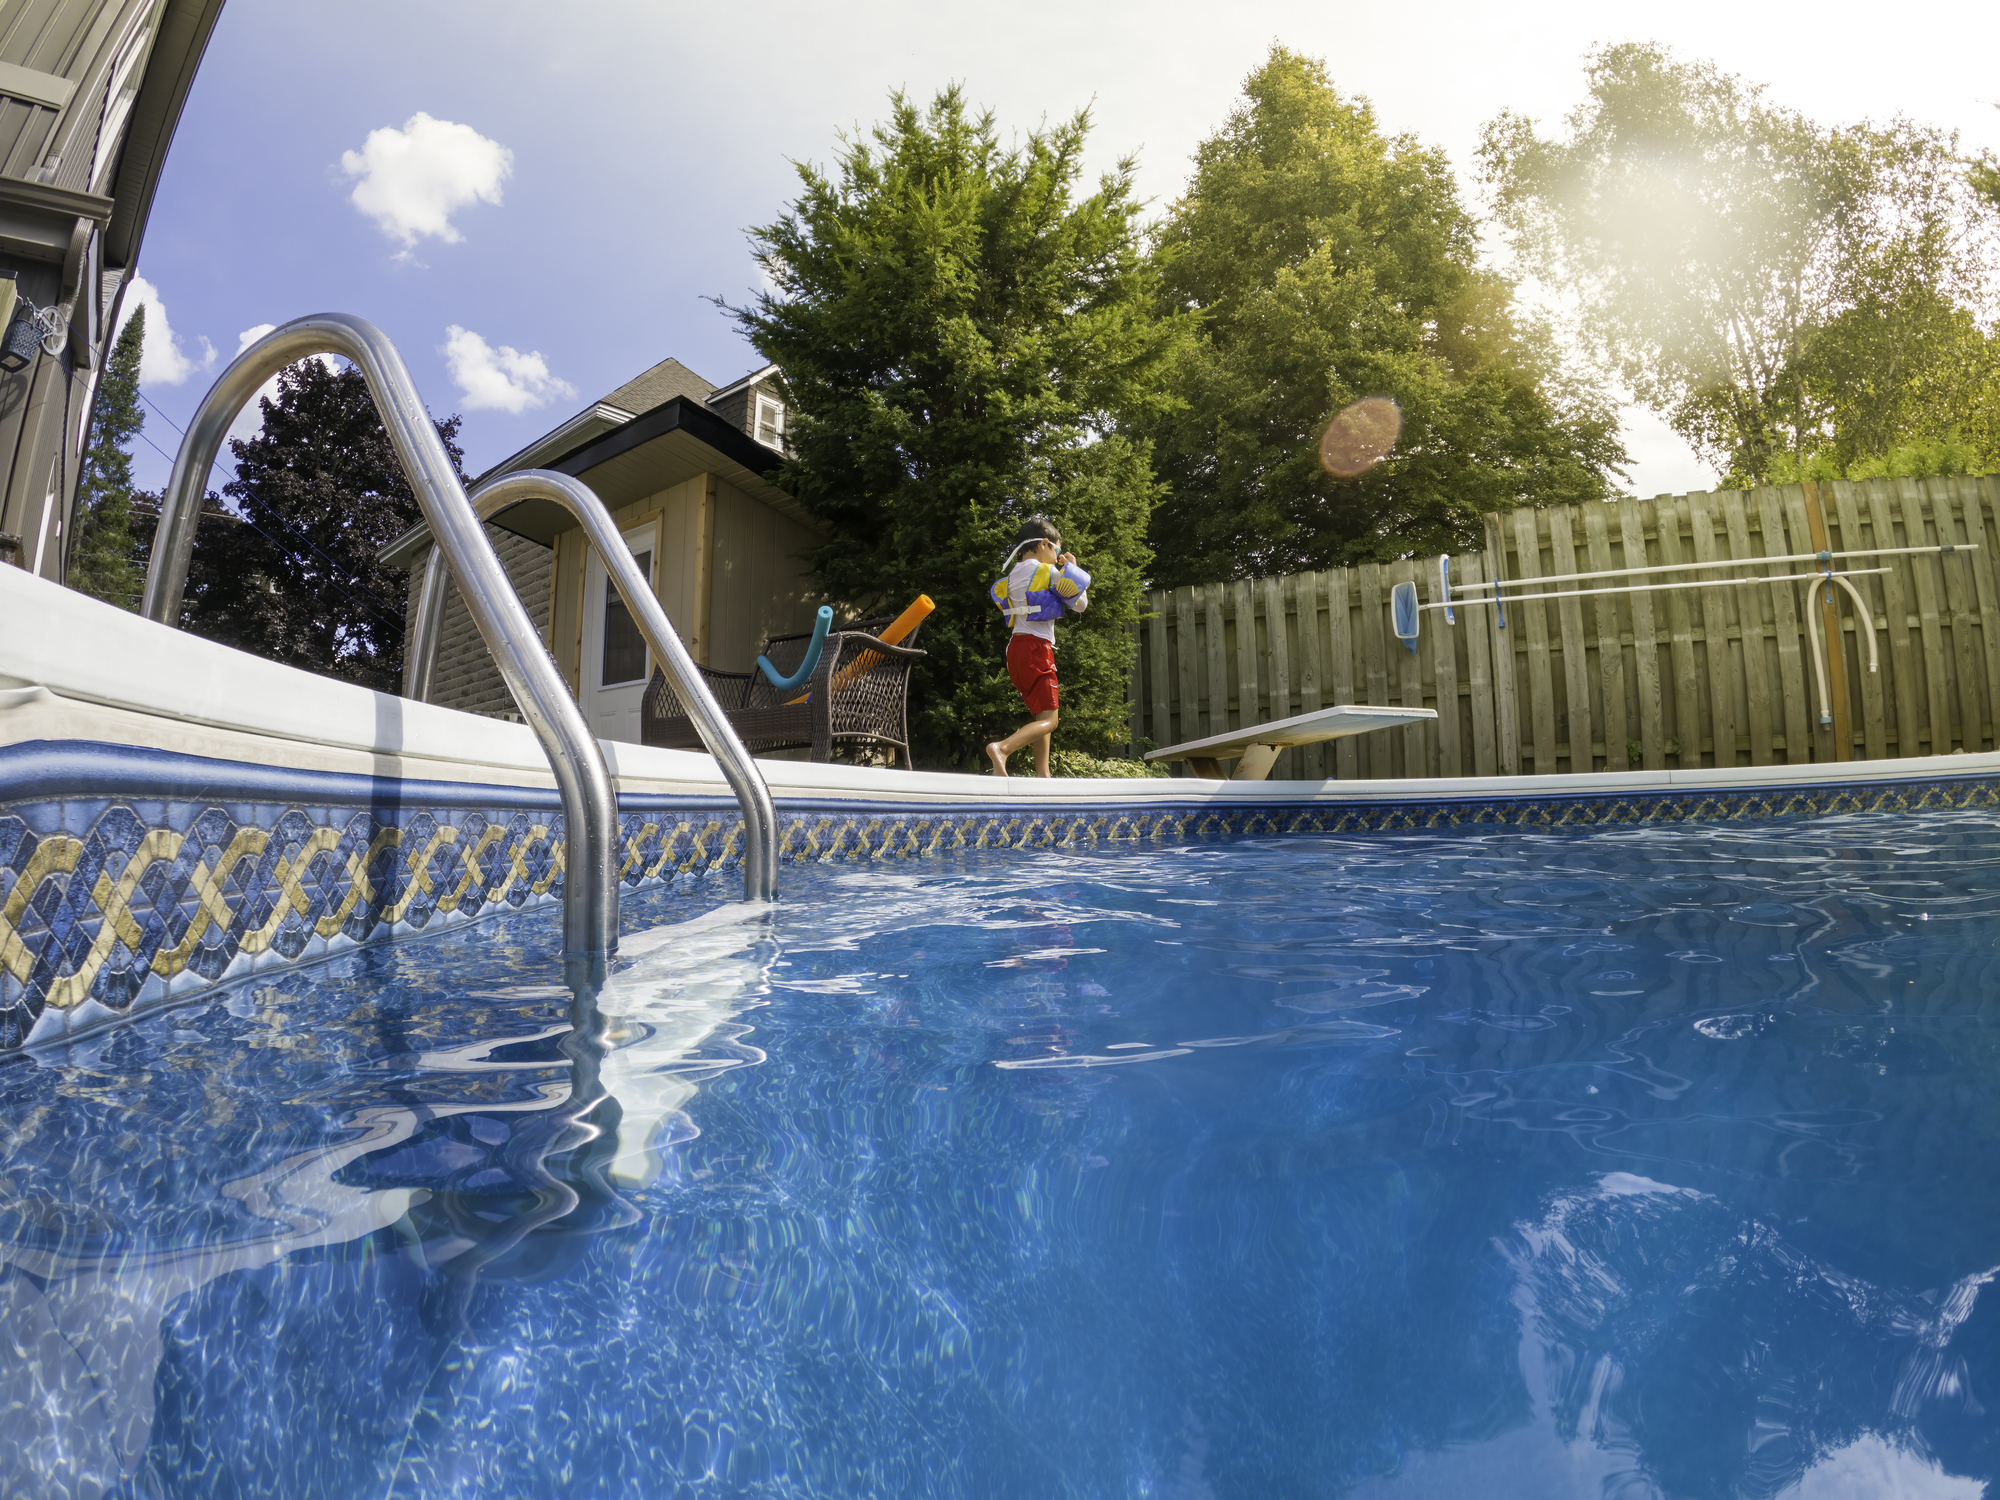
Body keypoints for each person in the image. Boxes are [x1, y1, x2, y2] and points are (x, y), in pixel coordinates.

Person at [985, 516, 1090, 776]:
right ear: (1044, 543)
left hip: (1015, 651)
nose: (1057, 555)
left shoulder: (1011, 577)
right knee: (1050, 720)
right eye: (1056, 548)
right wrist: (1072, 568)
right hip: (1036, 650)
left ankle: (1044, 776)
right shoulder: (1047, 572)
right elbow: (1080, 605)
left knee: (1041, 714)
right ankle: (1002, 748)